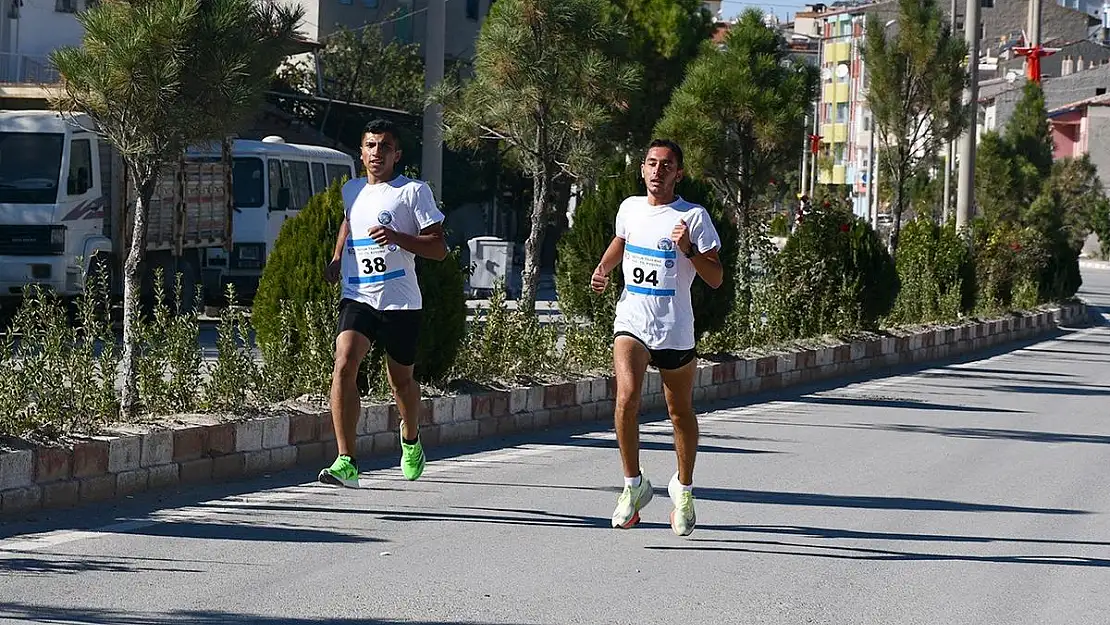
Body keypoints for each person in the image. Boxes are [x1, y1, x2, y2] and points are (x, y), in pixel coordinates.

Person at [590, 139, 724, 536]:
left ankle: (683, 489)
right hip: (632, 322)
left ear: (678, 173)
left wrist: (688, 250)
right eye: (651, 163)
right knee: (626, 399)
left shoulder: (692, 217)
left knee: (679, 411)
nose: (658, 171)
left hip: (675, 329)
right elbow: (622, 242)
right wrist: (602, 268)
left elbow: (715, 278)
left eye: (666, 165)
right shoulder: (629, 208)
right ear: (642, 169)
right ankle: (633, 486)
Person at [318, 119, 448, 489]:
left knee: (400, 381)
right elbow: (349, 222)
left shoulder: (413, 192)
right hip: (358, 295)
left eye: (385, 147)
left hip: (400, 301)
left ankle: (410, 438)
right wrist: (337, 256)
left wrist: (397, 236)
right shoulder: (352, 190)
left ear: (397, 154)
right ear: (361, 152)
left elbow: (438, 248)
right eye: (370, 145)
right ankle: (347, 461)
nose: (377, 153)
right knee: (344, 363)